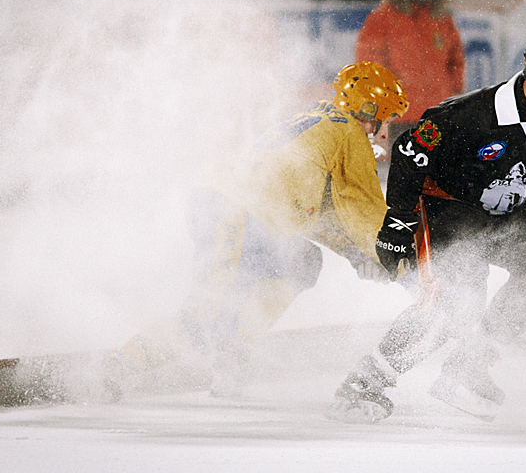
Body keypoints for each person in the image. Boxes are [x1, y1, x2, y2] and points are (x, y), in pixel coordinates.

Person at [328, 24, 526, 422]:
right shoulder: (471, 115)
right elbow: (410, 150)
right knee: (456, 303)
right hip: (447, 206)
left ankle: (469, 366)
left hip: (512, 207)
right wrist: (398, 221)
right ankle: (363, 384)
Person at [106, 62, 409, 398]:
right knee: (209, 314)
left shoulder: (322, 126)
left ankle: (231, 355)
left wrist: (357, 254)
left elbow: (312, 215)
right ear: (367, 110)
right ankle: (117, 367)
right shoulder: (349, 134)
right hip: (237, 213)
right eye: (385, 119)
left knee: (303, 260)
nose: (383, 133)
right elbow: (366, 212)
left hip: (239, 212)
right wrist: (401, 258)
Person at [355, 0, 465, 154]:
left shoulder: (440, 16)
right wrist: (382, 96)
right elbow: (369, 60)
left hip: (437, 110)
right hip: (400, 113)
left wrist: (455, 89)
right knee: (405, 169)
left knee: (437, 170)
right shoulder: (383, 17)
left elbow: (455, 57)